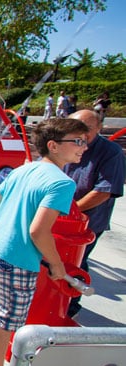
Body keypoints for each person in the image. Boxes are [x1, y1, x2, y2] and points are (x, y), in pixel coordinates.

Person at [0, 118, 89, 366]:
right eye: (77, 142)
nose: (83, 148)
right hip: (18, 258)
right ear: (54, 146)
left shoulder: (25, 169)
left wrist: (7, 227)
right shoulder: (62, 183)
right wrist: (57, 265)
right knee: (7, 318)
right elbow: (38, 231)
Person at [64, 109, 125, 318]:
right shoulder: (65, 143)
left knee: (76, 263)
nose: (79, 133)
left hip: (86, 223)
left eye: (87, 129)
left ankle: (70, 307)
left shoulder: (111, 153)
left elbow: (103, 191)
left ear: (100, 128)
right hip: (58, 218)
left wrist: (72, 211)